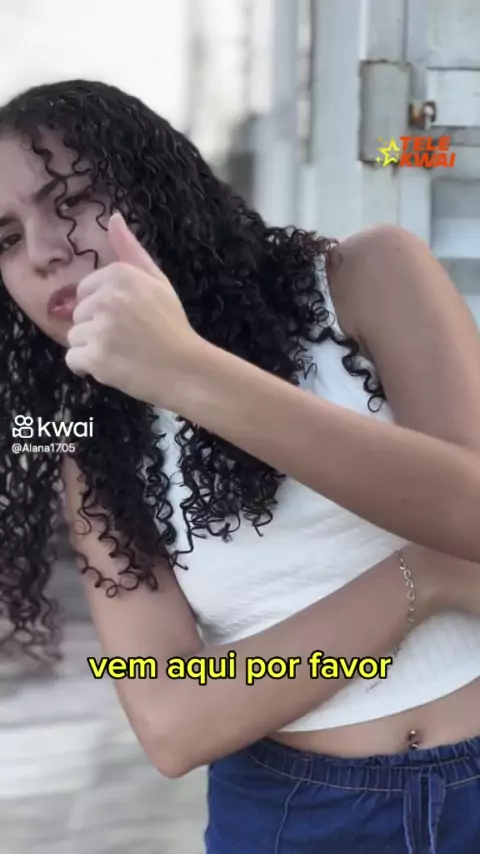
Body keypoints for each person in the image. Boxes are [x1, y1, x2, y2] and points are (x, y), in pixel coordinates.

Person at [0, 79, 480, 853]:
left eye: (71, 199)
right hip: (295, 819)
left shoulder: (364, 278)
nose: (44, 251)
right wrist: (422, 581)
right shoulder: (96, 451)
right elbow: (174, 720)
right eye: (6, 238)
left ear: (154, 184)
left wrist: (188, 370)